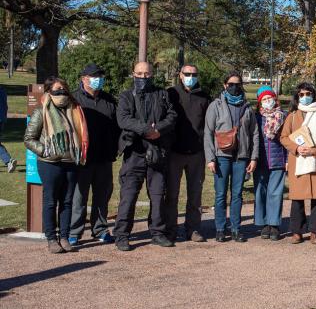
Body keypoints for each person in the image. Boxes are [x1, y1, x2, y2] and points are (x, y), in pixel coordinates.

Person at [113, 62, 177, 251]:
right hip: (135, 153)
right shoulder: (126, 96)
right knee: (129, 196)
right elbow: (123, 119)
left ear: (152, 74)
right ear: (133, 74)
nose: (143, 77)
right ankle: (122, 235)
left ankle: (158, 233)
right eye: (139, 73)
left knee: (158, 196)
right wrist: (146, 130)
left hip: (157, 152)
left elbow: (172, 116)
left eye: (147, 73)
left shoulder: (162, 94)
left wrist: (159, 130)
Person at [24, 76, 88, 254]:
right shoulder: (41, 111)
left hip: (71, 162)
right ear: (48, 92)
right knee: (50, 201)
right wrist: (45, 151)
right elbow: (29, 139)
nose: (61, 93)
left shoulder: (76, 110)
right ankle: (52, 239)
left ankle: (65, 237)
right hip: (49, 163)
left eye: (63, 89)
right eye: (57, 90)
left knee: (67, 202)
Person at [204, 72, 259, 243]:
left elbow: (255, 133)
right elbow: (208, 132)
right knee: (220, 194)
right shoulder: (216, 105)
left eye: (238, 84)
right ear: (225, 85)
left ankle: (235, 228)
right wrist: (210, 158)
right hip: (221, 156)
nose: (235, 87)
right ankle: (220, 229)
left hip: (241, 157)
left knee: (237, 195)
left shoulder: (247, 107)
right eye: (231, 84)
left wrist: (254, 157)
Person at [68, 63, 119, 246]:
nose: (98, 79)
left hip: (105, 157)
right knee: (79, 197)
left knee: (102, 196)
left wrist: (116, 148)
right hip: (82, 159)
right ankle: (74, 232)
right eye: (94, 76)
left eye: (100, 76)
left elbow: (117, 127)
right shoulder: (73, 99)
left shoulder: (109, 100)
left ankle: (100, 229)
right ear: (84, 79)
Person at [280, 82, 316, 244]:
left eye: (308, 93)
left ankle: (315, 231)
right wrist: (296, 148)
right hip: (298, 161)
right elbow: (283, 137)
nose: (305, 97)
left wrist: (314, 150)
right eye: (301, 94)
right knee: (297, 198)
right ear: (297, 97)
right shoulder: (292, 115)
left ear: (313, 95)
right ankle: (297, 231)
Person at [167, 64, 211, 242]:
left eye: (193, 74)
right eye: (187, 74)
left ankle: (193, 229)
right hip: (174, 152)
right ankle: (170, 229)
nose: (190, 77)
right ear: (180, 75)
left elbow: (209, 126)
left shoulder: (204, 97)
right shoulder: (171, 94)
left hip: (196, 153)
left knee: (195, 194)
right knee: (171, 194)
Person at [253, 86, 287, 241]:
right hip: (260, 161)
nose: (268, 102)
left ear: (275, 99)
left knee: (275, 193)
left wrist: (287, 160)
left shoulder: (283, 116)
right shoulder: (256, 117)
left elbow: (287, 139)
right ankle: (263, 223)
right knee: (261, 192)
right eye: (264, 99)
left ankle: (274, 224)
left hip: (278, 159)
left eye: (270, 98)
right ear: (260, 102)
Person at [0, 85, 17, 173]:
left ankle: (9, 161)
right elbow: (5, 106)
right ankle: (9, 161)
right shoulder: (2, 90)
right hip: (2, 119)